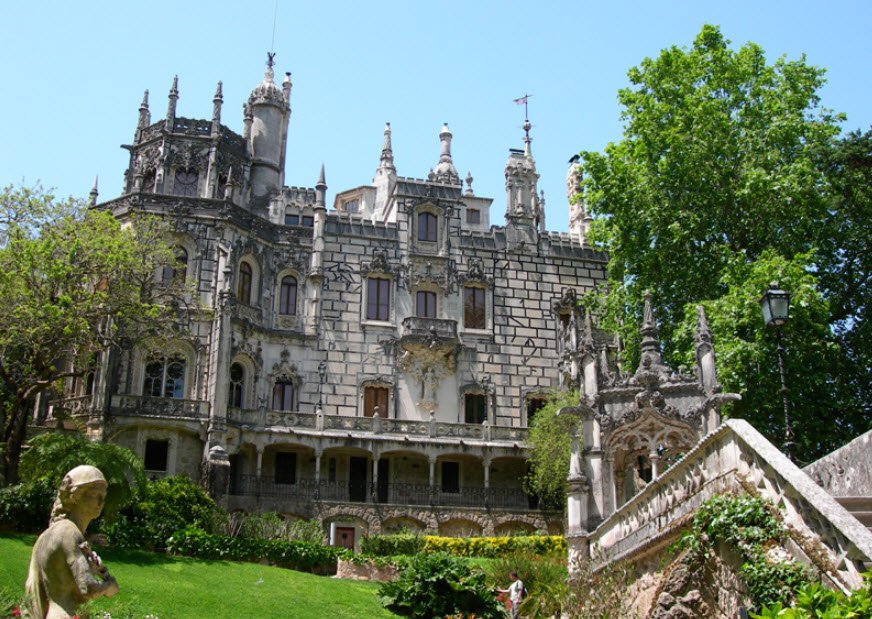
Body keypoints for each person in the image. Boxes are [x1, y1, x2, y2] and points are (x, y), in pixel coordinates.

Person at [25, 465, 119, 619]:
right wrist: (110, 586)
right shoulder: (69, 533)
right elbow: (87, 588)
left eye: (103, 496)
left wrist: (95, 570)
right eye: (95, 494)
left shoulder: (56, 531)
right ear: (75, 496)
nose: (101, 502)